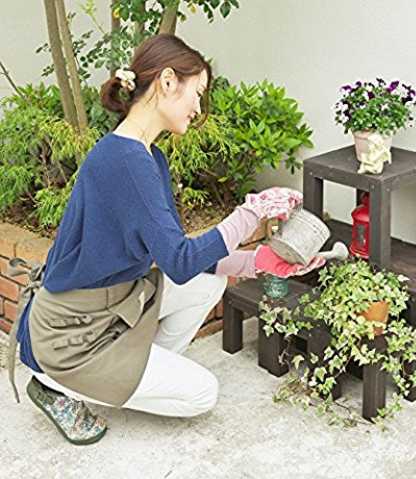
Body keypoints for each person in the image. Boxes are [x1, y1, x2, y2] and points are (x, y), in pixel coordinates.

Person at [7, 34, 325, 445]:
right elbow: (179, 261)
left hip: (111, 307)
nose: (198, 108)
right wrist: (252, 212)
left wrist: (260, 262)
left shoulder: (148, 156)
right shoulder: (125, 161)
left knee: (207, 284)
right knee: (202, 394)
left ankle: (130, 373)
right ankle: (56, 385)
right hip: (71, 334)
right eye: (198, 93)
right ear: (169, 81)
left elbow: (180, 256)